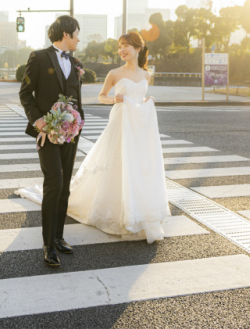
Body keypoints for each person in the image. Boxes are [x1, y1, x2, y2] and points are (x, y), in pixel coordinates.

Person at [18, 31, 170, 247]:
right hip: (120, 124)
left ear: (138, 48)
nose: (122, 50)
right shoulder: (114, 73)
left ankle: (138, 211)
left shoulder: (146, 75)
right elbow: (101, 96)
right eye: (120, 46)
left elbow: (140, 98)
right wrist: (113, 99)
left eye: (126, 46)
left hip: (139, 127)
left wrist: (147, 101)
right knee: (118, 163)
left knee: (137, 166)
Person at [18, 15, 83, 267]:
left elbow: (77, 99)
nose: (79, 39)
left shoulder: (76, 63)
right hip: (47, 132)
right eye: (77, 34)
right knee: (53, 182)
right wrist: (38, 122)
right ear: (66, 34)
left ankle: (59, 236)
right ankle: (47, 244)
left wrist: (79, 124)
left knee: (65, 185)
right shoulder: (39, 57)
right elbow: (25, 93)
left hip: (70, 134)